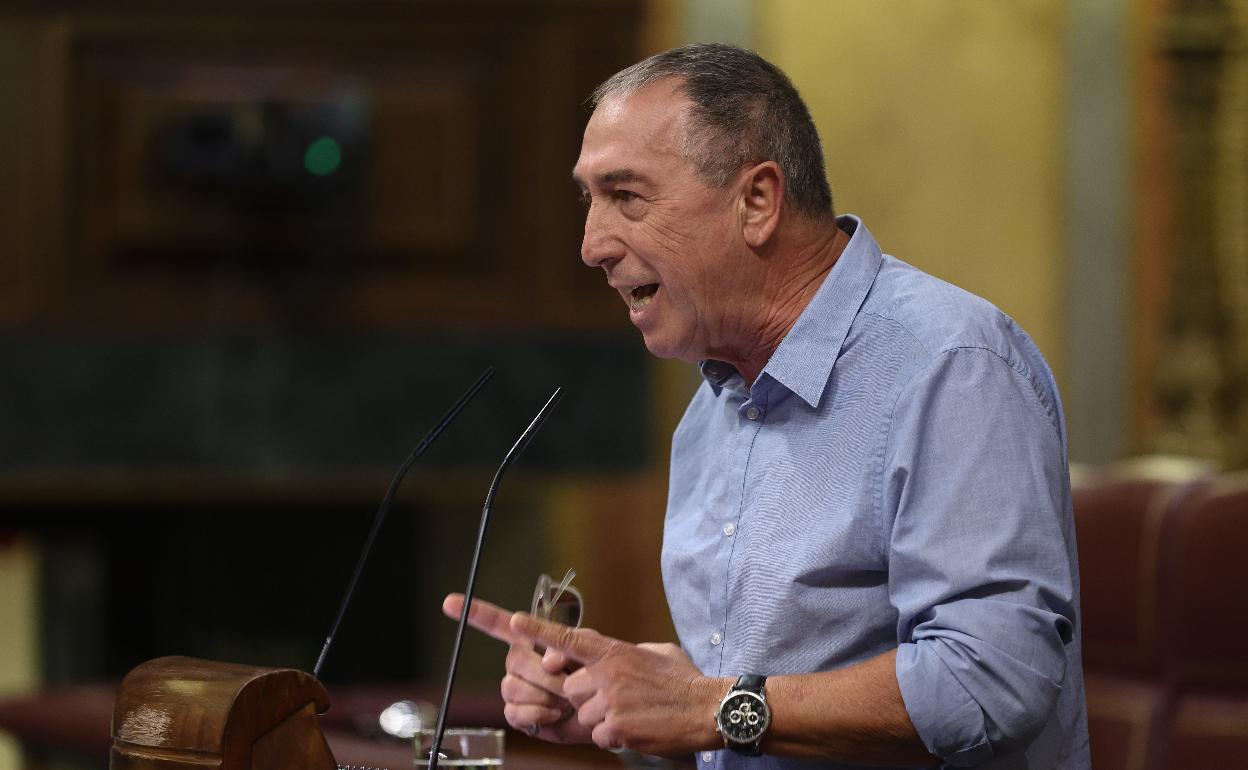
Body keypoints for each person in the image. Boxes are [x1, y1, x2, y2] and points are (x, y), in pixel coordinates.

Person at [444, 43, 1089, 769]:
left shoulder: (951, 367)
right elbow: (735, 727)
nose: (591, 245)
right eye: (588, 200)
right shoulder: (709, 414)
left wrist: (706, 706)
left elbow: (995, 680)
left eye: (626, 197)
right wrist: (617, 706)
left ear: (757, 202)